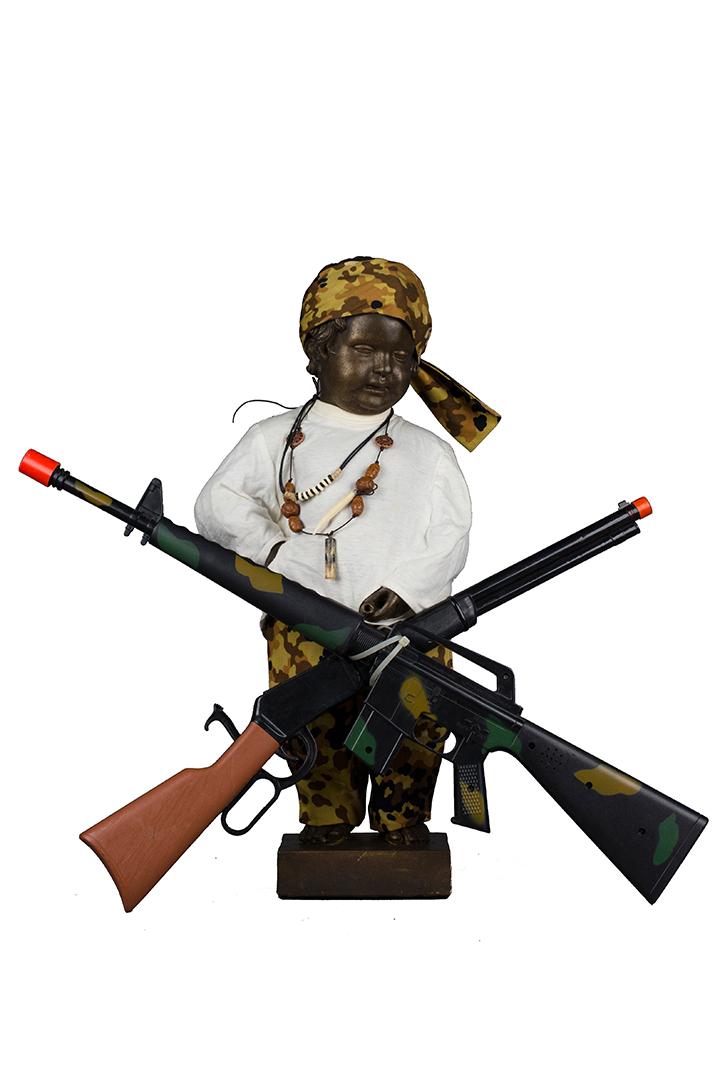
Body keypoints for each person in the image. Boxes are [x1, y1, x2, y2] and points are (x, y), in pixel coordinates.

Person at [195, 257, 500, 845]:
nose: (383, 368)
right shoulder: (272, 439)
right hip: (304, 630)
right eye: (363, 349)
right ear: (319, 352)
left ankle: (402, 823)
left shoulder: (428, 452)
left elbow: (451, 534)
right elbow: (218, 504)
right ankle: (326, 821)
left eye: (400, 355)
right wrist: (273, 553)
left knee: (411, 731)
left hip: (411, 633)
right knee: (315, 730)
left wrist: (408, 591)